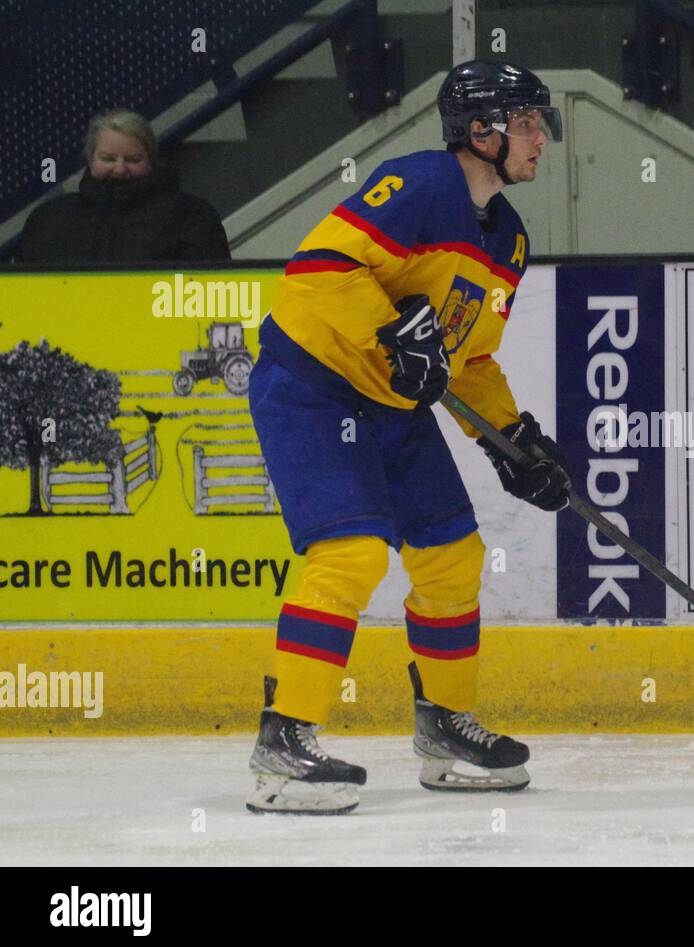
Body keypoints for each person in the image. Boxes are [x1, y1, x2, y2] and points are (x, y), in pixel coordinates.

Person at [245, 61, 569, 814]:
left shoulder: (508, 241)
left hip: (392, 402)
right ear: (479, 132)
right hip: (313, 386)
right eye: (525, 123)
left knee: (452, 555)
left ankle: (445, 730)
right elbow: (319, 267)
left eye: (538, 124)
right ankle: (283, 740)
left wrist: (513, 441)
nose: (539, 140)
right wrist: (394, 330)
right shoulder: (419, 183)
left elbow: (470, 357)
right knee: (351, 552)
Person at [18, 109, 230, 262]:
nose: (120, 169)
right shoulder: (48, 220)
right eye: (108, 159)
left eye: (132, 159)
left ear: (151, 160)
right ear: (91, 160)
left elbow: (212, 294)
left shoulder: (191, 217)